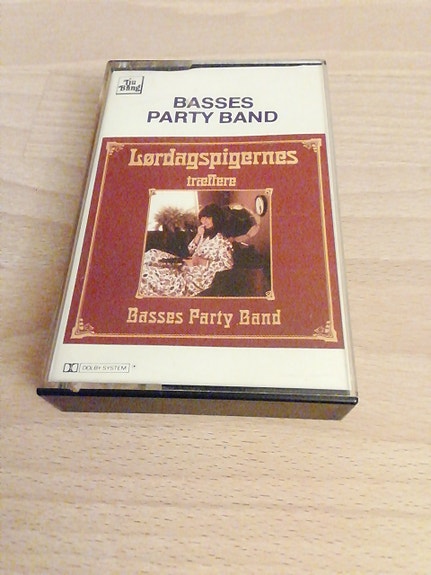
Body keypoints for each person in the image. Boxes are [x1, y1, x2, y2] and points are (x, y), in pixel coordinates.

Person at [138, 203, 234, 297]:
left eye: (208, 218)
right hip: (185, 266)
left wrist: (202, 261)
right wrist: (198, 235)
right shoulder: (206, 235)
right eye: (203, 218)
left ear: (216, 218)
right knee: (152, 253)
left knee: (147, 273)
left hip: (194, 279)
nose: (204, 221)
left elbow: (228, 265)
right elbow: (190, 250)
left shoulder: (222, 241)